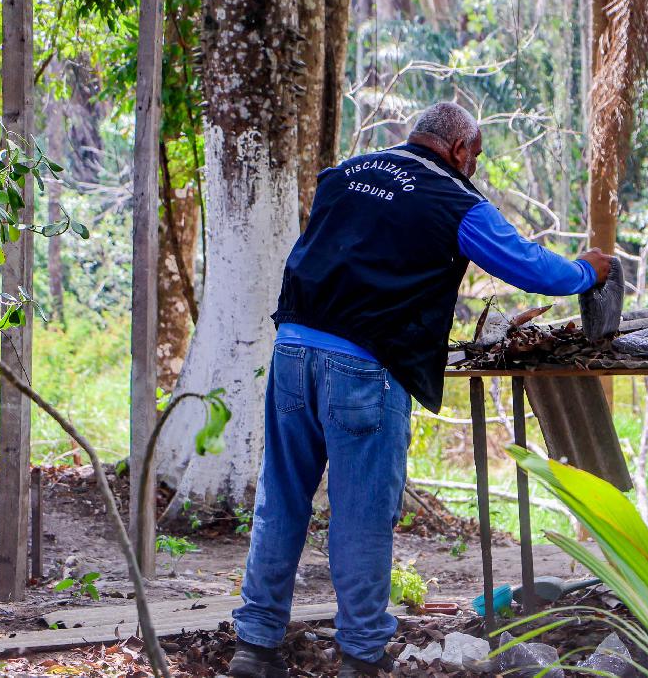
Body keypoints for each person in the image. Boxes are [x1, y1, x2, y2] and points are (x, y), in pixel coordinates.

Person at [229, 102, 612, 678]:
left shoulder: (345, 174)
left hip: (291, 351)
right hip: (362, 366)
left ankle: (254, 647)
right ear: (458, 150)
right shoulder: (454, 200)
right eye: (475, 157)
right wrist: (588, 270)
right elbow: (533, 270)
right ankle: (362, 654)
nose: (475, 170)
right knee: (361, 514)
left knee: (280, 498)